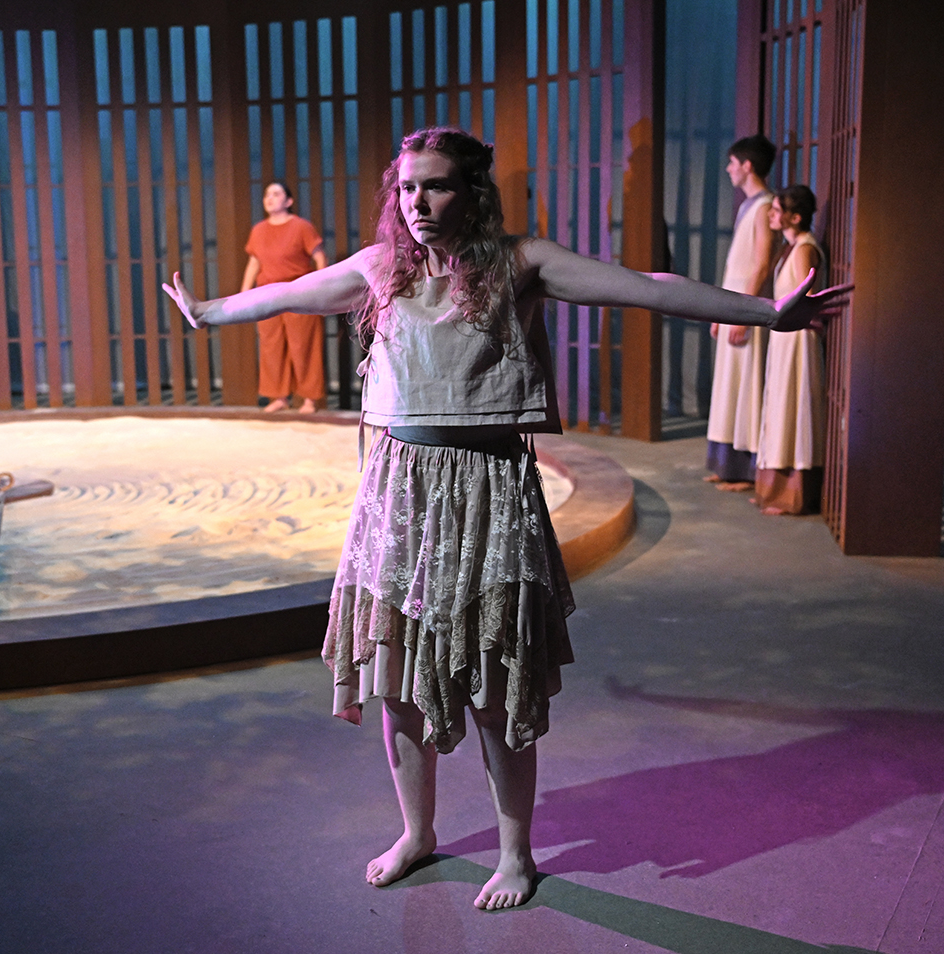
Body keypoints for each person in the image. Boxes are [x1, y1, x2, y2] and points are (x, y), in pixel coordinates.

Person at [162, 127, 845, 911]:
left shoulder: (521, 263)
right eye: (408, 187)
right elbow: (285, 295)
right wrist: (208, 311)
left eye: (438, 185)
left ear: (472, 191)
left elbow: (645, 284)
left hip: (489, 487)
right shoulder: (379, 269)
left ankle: (515, 853)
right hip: (402, 492)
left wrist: (765, 312)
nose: (419, 202)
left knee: (494, 677)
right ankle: (418, 831)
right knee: (399, 679)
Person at [705, 135, 777, 489]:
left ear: (747, 165)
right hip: (735, 303)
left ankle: (747, 470)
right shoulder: (749, 205)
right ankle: (727, 464)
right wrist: (722, 311)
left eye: (733, 163)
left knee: (746, 386)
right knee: (730, 386)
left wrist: (743, 313)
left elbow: (761, 264)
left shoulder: (765, 206)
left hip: (747, 307)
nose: (730, 169)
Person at [755, 186, 827, 515]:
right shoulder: (793, 246)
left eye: (778, 209)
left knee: (793, 408)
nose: (771, 213)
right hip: (787, 339)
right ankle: (776, 490)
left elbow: (805, 297)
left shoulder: (803, 249)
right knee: (782, 408)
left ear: (794, 217)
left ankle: (793, 495)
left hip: (798, 341)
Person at [241, 181, 328, 413]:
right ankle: (278, 397)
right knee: (271, 345)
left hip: (298, 294)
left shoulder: (301, 227)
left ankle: (309, 399)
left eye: (276, 193)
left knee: (304, 346)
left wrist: (319, 287)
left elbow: (319, 257)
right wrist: (244, 293)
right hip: (267, 296)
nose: (270, 198)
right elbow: (254, 262)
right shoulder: (258, 230)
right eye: (267, 194)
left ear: (288, 201)